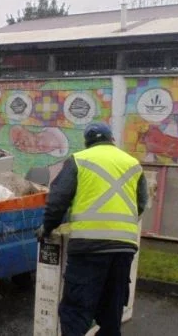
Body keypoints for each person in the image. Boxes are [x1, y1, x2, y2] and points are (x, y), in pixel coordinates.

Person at [35, 122, 147, 336]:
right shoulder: (133, 163)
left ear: (87, 143)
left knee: (76, 311)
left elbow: (58, 200)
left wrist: (47, 227)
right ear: (111, 140)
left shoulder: (79, 160)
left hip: (88, 248)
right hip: (124, 249)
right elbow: (141, 204)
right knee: (111, 312)